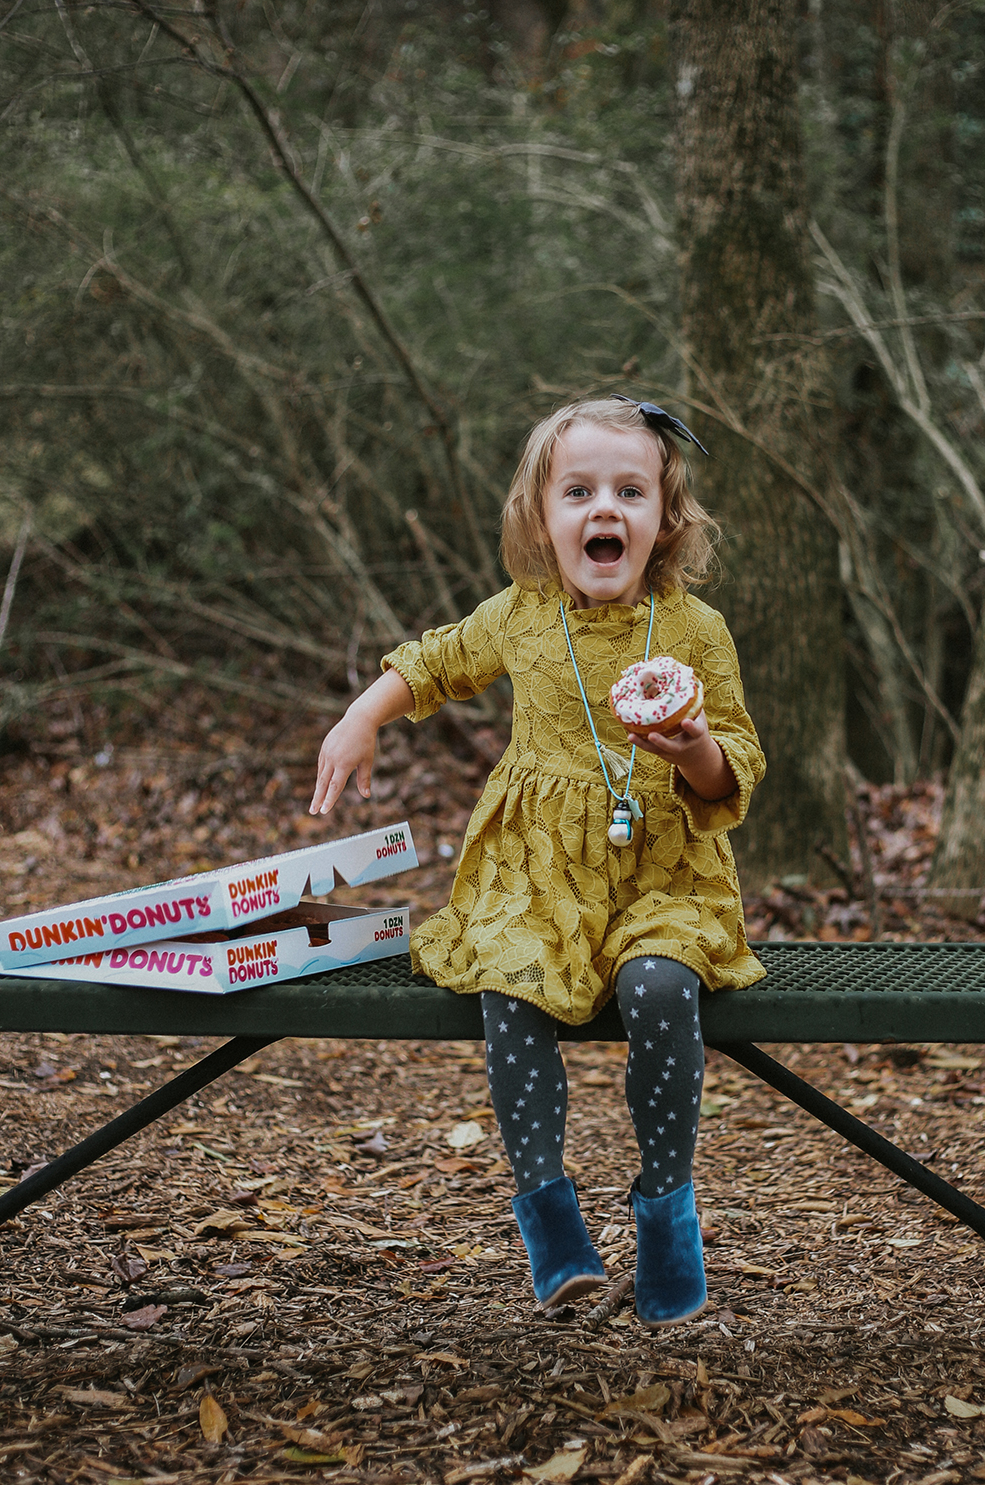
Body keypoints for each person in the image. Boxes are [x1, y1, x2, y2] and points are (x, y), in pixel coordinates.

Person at [310, 396, 765, 1328]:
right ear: (541, 519)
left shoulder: (695, 633)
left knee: (659, 987)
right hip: (537, 876)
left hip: (666, 876)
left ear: (665, 520)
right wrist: (362, 716)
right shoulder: (521, 617)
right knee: (509, 988)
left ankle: (667, 1214)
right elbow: (432, 666)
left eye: (630, 491)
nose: (606, 508)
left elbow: (739, 764)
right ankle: (550, 1217)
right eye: (580, 491)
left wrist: (694, 755)